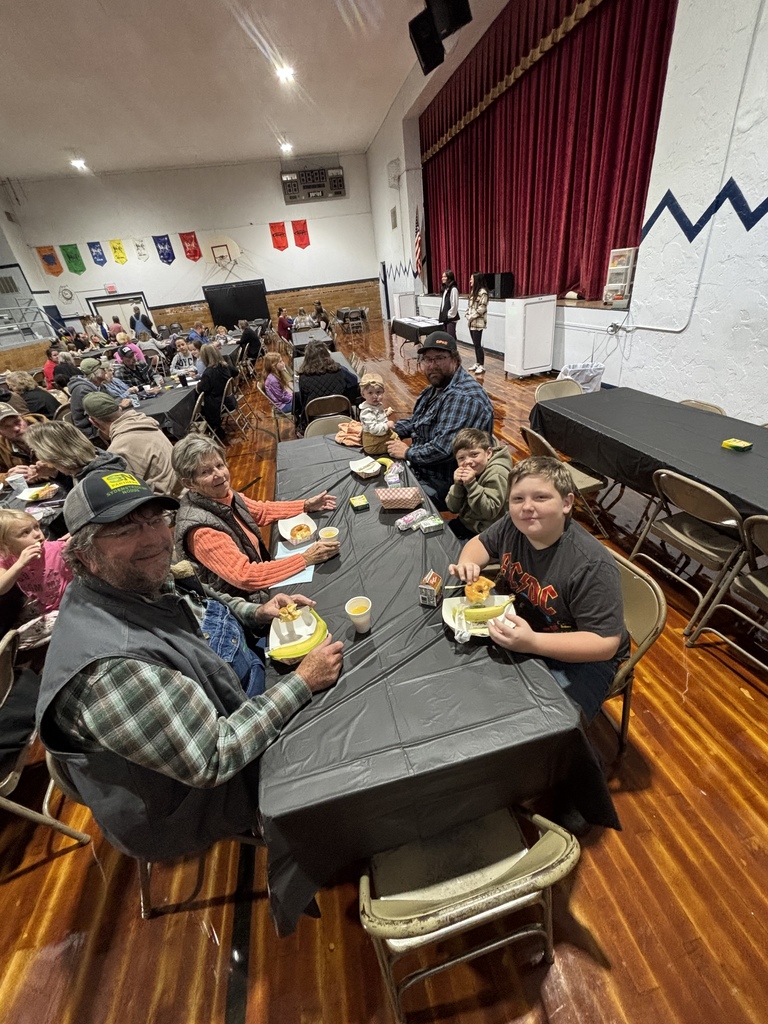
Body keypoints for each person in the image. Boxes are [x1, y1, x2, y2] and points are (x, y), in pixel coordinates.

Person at [35, 469, 344, 863]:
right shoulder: (111, 671)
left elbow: (200, 600)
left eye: (155, 520)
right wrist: (301, 682)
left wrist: (256, 612)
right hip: (196, 797)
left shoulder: (125, 580)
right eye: (125, 530)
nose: (152, 539)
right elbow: (214, 756)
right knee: (342, 752)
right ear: (84, 555)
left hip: (228, 698)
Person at [448, 456, 629, 723]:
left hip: (583, 656)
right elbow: (480, 543)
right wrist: (469, 563)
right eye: (517, 499)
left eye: (541, 497)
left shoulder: (592, 566)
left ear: (566, 503)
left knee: (541, 726)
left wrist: (533, 642)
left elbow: (604, 644)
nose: (526, 507)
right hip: (525, 629)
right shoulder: (512, 525)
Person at [172, 435, 340, 596]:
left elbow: (261, 511)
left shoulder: (222, 495)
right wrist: (306, 558)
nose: (219, 474)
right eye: (205, 472)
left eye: (219, 465)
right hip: (244, 601)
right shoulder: (201, 532)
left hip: (257, 578)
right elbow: (245, 576)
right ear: (189, 483)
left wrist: (306, 505)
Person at [387, 332, 494, 509]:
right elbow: (419, 421)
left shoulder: (463, 397)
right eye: (428, 360)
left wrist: (407, 453)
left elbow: (443, 448)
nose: (432, 365)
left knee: (391, 502)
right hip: (425, 469)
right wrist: (391, 428)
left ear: (456, 360)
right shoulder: (438, 388)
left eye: (439, 358)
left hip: (447, 482)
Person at [82, 392, 182, 497]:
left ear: (93, 422)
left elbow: (129, 494)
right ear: (119, 409)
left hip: (171, 502)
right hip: (183, 487)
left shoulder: (117, 450)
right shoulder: (146, 422)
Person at [0, 509, 73, 648]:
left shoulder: (56, 549)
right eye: (25, 532)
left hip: (67, 604)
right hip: (42, 604)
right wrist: (20, 564)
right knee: (12, 627)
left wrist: (75, 537)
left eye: (36, 527)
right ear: (6, 544)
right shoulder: (7, 558)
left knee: (16, 643)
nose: (37, 534)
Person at [445, 428, 514, 537]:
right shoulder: (473, 470)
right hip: (467, 522)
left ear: (488, 453)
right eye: (461, 458)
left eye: (474, 455)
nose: (468, 462)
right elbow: (453, 508)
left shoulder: (497, 473)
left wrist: (471, 484)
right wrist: (458, 485)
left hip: (485, 533)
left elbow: (489, 511)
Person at [297, 340, 359, 421]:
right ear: (327, 354)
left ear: (307, 358)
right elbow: (354, 380)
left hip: (315, 420)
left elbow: (303, 402)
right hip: (341, 414)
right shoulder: (339, 369)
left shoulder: (303, 377)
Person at [196, 343, 237, 441]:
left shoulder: (208, 373)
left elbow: (201, 389)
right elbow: (236, 372)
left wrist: (198, 385)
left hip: (219, 406)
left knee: (198, 407)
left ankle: (211, 429)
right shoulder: (225, 366)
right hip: (230, 400)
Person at [358, 372, 397, 456]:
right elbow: (373, 429)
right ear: (363, 394)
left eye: (378, 392)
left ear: (383, 392)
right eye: (370, 393)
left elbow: (376, 417)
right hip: (373, 444)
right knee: (395, 445)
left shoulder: (376, 405)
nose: (375, 396)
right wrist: (387, 425)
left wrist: (384, 414)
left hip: (380, 436)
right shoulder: (367, 412)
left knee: (396, 438)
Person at [66, 366, 100, 439]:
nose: (111, 370)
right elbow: (100, 413)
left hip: (95, 424)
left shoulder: (92, 386)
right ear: (96, 374)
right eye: (105, 370)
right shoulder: (83, 390)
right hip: (91, 431)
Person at [465, 272, 489, 374]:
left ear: (476, 279)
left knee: (477, 344)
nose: (470, 281)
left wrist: (471, 316)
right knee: (475, 344)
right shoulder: (473, 292)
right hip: (471, 322)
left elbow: (482, 308)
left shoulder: (483, 293)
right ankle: (477, 363)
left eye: (471, 279)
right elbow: (469, 306)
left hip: (478, 323)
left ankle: (482, 365)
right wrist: (467, 315)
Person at [439, 269, 460, 338]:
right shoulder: (446, 289)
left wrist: (448, 315)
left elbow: (454, 305)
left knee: (451, 337)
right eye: (442, 277)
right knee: (446, 338)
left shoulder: (453, 289)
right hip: (446, 318)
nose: (442, 278)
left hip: (450, 318)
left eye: (444, 277)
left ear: (449, 277)